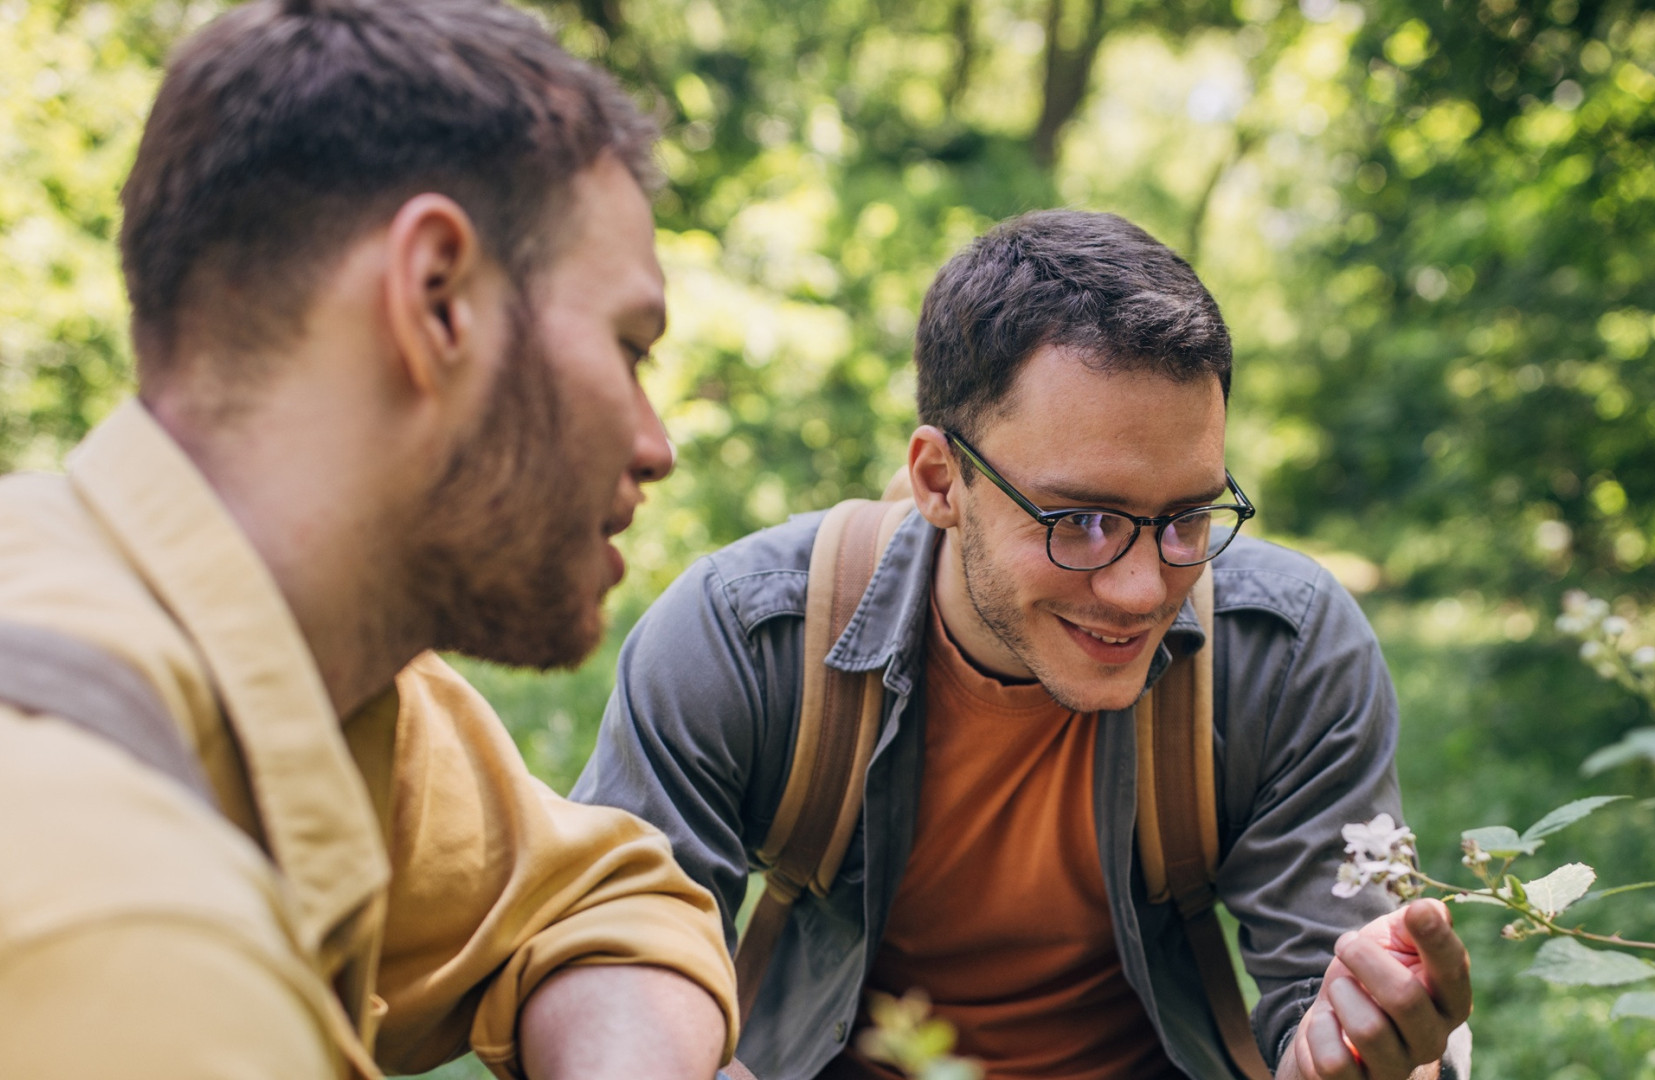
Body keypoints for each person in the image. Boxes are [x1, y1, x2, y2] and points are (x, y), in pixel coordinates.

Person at [0, 1, 739, 1076]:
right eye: (630, 348)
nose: (655, 443)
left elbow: (592, 896)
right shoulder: (122, 928)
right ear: (438, 299)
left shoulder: (324, 684)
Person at [573, 209, 1472, 1080]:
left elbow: (1327, 992)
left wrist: (1362, 1050)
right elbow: (611, 956)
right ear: (939, 479)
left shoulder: (1288, 654)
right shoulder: (743, 637)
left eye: (1187, 518)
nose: (1141, 586)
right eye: (1078, 520)